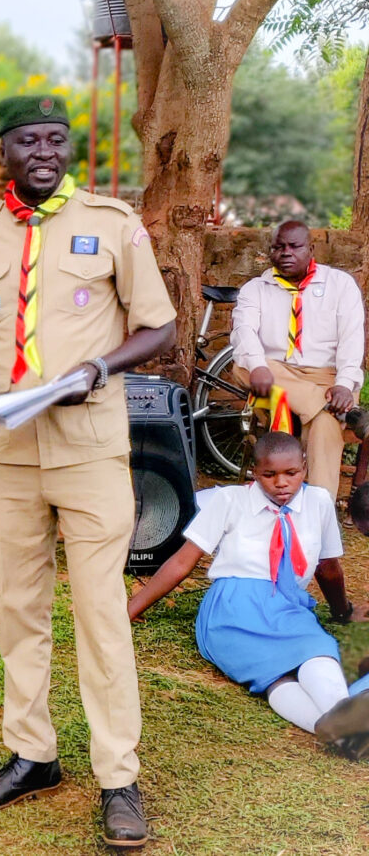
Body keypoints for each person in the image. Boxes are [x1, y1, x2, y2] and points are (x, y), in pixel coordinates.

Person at [0, 94, 177, 848]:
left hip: (88, 449)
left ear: (66, 148)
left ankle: (119, 776)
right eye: (27, 140)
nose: (43, 150)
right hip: (7, 450)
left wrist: (101, 365)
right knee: (19, 609)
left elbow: (160, 326)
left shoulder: (112, 223)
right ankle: (33, 754)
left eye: (55, 139)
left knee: (101, 616)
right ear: (2, 152)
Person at [128, 432, 369, 760]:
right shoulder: (230, 501)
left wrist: (343, 612)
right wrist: (130, 609)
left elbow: (327, 568)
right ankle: (341, 728)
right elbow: (183, 562)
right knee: (273, 674)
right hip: (234, 607)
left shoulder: (319, 502)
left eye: (291, 473)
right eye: (269, 475)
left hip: (288, 609)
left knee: (318, 649)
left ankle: (341, 722)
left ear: (305, 468)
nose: (281, 483)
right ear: (254, 472)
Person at [231, 221, 366, 501]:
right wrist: (257, 365)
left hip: (327, 376)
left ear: (311, 249)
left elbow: (353, 338)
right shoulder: (255, 289)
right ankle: (341, 412)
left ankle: (319, 515)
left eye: (295, 246)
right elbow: (244, 332)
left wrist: (343, 384)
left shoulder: (340, 285)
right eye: (278, 247)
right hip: (276, 373)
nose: (286, 253)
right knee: (244, 364)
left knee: (325, 425)